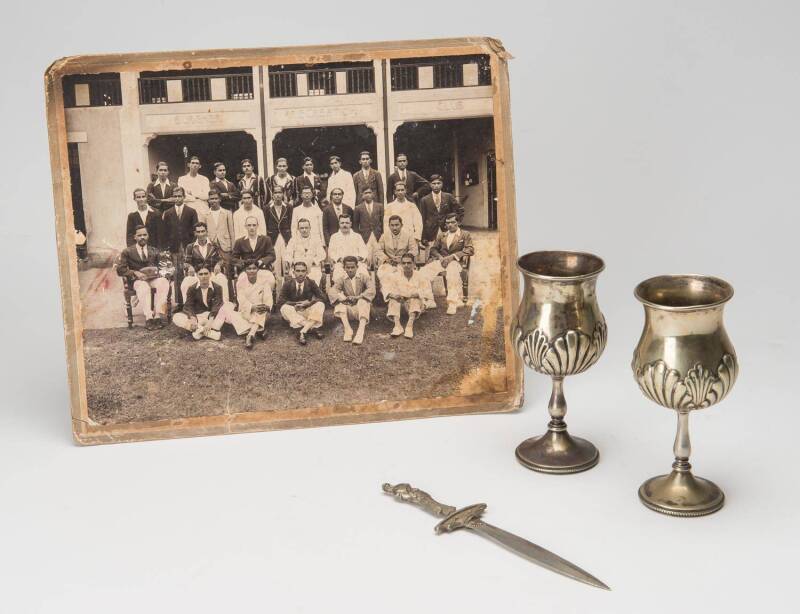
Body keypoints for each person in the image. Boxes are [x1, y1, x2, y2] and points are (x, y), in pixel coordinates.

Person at [116, 225, 171, 329]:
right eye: (139, 235)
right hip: (137, 281)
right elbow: (120, 270)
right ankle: (149, 318)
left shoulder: (154, 250)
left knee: (163, 282)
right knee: (143, 287)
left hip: (153, 279)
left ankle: (158, 314)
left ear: (148, 236)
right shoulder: (127, 251)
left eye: (144, 235)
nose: (142, 237)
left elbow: (163, 266)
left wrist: (160, 272)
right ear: (135, 237)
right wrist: (134, 272)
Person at [421, 212, 475, 314]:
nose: (450, 225)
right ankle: (429, 300)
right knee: (423, 272)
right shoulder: (442, 235)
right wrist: (440, 257)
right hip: (441, 261)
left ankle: (452, 303)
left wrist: (453, 256)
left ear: (458, 222)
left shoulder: (464, 234)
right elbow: (433, 249)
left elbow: (470, 249)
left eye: (452, 222)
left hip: (456, 262)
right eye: (448, 223)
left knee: (452, 273)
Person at [172, 266, 236, 341]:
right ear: (197, 275)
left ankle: (200, 331)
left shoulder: (217, 287)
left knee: (228, 305)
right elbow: (188, 305)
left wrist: (210, 321)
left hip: (212, 317)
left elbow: (217, 304)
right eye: (201, 274)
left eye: (206, 273)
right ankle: (210, 333)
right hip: (199, 317)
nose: (204, 276)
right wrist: (193, 318)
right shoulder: (192, 288)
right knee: (176, 317)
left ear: (210, 275)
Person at [161, 185, 198, 303]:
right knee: (177, 275)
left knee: (189, 273)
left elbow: (195, 230)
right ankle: (179, 302)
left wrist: (192, 246)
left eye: (180, 196)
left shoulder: (191, 211)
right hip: (174, 247)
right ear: (173, 197)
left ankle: (191, 301)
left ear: (184, 197)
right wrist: (167, 248)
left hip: (187, 247)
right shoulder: (168, 213)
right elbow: (165, 232)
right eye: (175, 196)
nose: (177, 199)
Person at [277, 261, 326, 345]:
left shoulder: (311, 282)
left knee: (320, 305)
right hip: (294, 311)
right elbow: (280, 301)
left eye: (303, 271)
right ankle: (312, 328)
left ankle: (303, 331)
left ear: (306, 272)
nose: (300, 274)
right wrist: (295, 304)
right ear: (293, 272)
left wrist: (309, 303)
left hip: (306, 310)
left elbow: (323, 297)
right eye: (298, 271)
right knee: (284, 308)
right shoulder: (287, 283)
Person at [328, 256, 375, 345]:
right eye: (347, 267)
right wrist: (343, 299)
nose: (350, 270)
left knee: (363, 301)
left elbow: (371, 289)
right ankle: (348, 329)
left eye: (352, 267)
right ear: (344, 268)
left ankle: (360, 332)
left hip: (362, 310)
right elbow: (332, 291)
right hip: (349, 309)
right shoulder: (342, 279)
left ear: (357, 267)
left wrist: (358, 297)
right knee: (339, 304)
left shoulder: (363, 277)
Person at [386, 253, 433, 339]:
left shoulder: (420, 275)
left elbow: (428, 291)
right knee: (393, 300)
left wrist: (417, 294)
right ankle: (397, 326)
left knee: (415, 299)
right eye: (404, 263)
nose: (406, 265)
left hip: (416, 307)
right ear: (401, 264)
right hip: (401, 306)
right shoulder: (395, 276)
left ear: (414, 264)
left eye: (409, 263)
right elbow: (387, 289)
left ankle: (409, 326)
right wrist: (394, 295)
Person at [181, 221, 229, 304]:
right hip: (197, 274)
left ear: (206, 232)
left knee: (222, 279)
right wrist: (189, 267)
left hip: (211, 273)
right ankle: (188, 307)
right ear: (195, 233)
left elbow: (222, 259)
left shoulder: (214, 245)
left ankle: (225, 305)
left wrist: (218, 264)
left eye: (203, 231)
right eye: (198, 232)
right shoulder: (190, 247)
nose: (201, 234)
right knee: (186, 282)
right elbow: (185, 263)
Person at [230, 260, 273, 348]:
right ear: (245, 270)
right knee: (236, 315)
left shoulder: (264, 282)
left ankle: (250, 335)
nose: (252, 271)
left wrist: (265, 307)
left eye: (254, 268)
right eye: (249, 269)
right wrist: (252, 307)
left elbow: (268, 299)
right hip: (247, 311)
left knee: (261, 312)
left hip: (262, 311)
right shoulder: (240, 283)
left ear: (257, 270)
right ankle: (259, 330)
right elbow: (241, 300)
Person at [376, 215, 418, 300]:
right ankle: (390, 296)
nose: (394, 227)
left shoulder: (408, 235)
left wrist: (403, 259)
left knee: (401, 275)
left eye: (397, 225)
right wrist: (386, 259)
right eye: (392, 225)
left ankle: (405, 296)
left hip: (403, 263)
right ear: (389, 226)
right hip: (389, 263)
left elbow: (414, 250)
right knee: (384, 274)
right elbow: (378, 250)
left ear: (401, 225)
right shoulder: (384, 236)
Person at [232, 217, 277, 292]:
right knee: (240, 283)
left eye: (254, 225)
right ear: (245, 226)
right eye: (249, 225)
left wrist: (262, 261)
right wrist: (244, 263)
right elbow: (233, 259)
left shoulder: (266, 239)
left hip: (262, 269)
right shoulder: (239, 242)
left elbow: (272, 255)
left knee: (270, 281)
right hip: (246, 271)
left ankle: (267, 301)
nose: (252, 228)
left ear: (257, 226)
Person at [419, 174, 464, 243]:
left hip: (447, 230)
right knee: (431, 252)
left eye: (438, 183)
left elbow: (460, 209)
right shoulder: (424, 200)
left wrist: (456, 222)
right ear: (430, 185)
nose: (436, 186)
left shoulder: (448, 196)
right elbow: (422, 218)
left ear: (442, 184)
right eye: (433, 183)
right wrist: (423, 236)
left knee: (447, 250)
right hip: (430, 232)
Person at [327, 213, 369, 282]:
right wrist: (340, 259)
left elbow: (364, 251)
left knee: (363, 274)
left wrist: (357, 258)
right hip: (341, 264)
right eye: (342, 223)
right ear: (339, 224)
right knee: (338, 276)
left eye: (347, 223)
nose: (344, 225)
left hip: (356, 264)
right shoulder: (334, 237)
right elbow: (331, 252)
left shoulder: (357, 236)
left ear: (350, 224)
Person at [284, 218, 326, 285]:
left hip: (313, 267)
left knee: (314, 279)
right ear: (298, 229)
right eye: (302, 228)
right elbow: (288, 253)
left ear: (310, 228)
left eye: (306, 228)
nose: (304, 230)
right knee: (294, 283)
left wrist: (314, 261)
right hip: (297, 268)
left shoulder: (316, 239)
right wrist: (290, 261)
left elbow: (322, 254)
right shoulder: (293, 240)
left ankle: (312, 294)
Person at [202, 189, 235, 273]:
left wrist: (232, 247)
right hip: (212, 245)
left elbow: (231, 232)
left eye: (216, 198)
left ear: (220, 199)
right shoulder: (206, 214)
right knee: (213, 269)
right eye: (211, 199)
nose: (214, 201)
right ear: (208, 200)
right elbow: (204, 232)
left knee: (227, 269)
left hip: (225, 245)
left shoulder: (227, 213)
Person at [384, 182, 423, 248]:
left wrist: (416, 237)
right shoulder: (389, 206)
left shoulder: (412, 206)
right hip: (395, 239)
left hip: (410, 238)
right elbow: (386, 224)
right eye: (398, 190)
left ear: (405, 191)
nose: (400, 192)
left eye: (402, 190)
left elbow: (418, 223)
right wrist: (388, 238)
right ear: (395, 192)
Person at [352, 186, 384, 266]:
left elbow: (383, 222)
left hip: (378, 234)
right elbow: (355, 225)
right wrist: (358, 237)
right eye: (366, 193)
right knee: (367, 257)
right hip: (364, 236)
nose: (368, 195)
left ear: (373, 194)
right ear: (362, 195)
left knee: (379, 256)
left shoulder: (379, 206)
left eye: (369, 193)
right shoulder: (358, 208)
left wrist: (382, 233)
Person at [265, 185, 292, 277]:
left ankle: (288, 283)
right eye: (275, 193)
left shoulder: (288, 207)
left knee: (286, 261)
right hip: (273, 238)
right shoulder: (267, 208)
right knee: (275, 263)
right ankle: (276, 287)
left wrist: (290, 238)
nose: (277, 195)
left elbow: (291, 223)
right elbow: (265, 224)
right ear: (272, 195)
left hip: (286, 238)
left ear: (283, 194)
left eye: (279, 192)